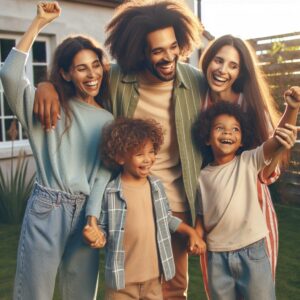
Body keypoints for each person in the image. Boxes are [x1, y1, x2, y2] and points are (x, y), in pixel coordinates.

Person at [33, 1, 205, 298]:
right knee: (125, 283)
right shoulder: (117, 79)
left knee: (174, 287)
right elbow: (79, 80)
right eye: (157, 51)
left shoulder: (195, 80)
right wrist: (45, 85)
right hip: (128, 198)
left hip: (176, 200)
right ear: (140, 51)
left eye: (173, 47)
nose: (168, 57)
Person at [0, 2, 113, 300]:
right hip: (47, 207)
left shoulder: (108, 119)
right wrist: (38, 23)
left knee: (81, 295)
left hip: (87, 212)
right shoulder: (47, 107)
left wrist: (93, 219)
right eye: (81, 68)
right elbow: (10, 76)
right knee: (33, 294)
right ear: (65, 74)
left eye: (95, 64)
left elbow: (103, 174)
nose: (91, 74)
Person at [197, 35, 288, 287]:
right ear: (208, 59)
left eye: (233, 65)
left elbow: (270, 169)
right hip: (214, 222)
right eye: (218, 60)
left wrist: (278, 149)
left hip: (253, 218)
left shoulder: (251, 105)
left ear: (241, 71)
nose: (222, 70)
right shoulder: (197, 101)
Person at [192, 89, 300, 299]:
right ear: (207, 138)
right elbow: (201, 213)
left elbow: (278, 139)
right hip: (217, 257)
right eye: (220, 129)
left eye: (235, 130)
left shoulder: (249, 161)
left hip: (253, 252)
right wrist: (196, 236)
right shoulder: (201, 176)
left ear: (242, 140)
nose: (228, 133)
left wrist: (292, 108)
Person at [84, 117, 206, 299]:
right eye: (139, 154)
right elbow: (103, 230)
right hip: (121, 283)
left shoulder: (156, 186)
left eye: (151, 152)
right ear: (119, 157)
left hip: (153, 279)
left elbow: (166, 218)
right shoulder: (110, 192)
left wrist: (190, 232)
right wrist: (96, 237)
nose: (148, 159)